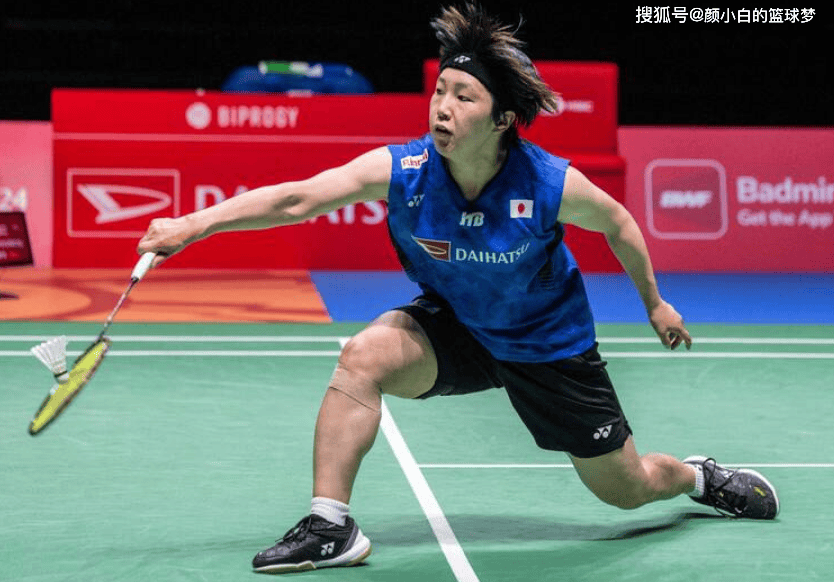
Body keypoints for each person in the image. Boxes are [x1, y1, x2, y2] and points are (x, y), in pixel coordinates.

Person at [137, 3, 779, 574]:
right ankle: (330, 526)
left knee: (626, 488)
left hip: (548, 345)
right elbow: (299, 198)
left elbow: (618, 223)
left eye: (464, 96)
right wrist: (194, 225)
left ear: (502, 118)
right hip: (461, 326)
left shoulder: (546, 182)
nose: (443, 106)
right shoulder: (407, 170)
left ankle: (698, 478)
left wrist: (655, 303)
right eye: (440, 90)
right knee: (362, 357)